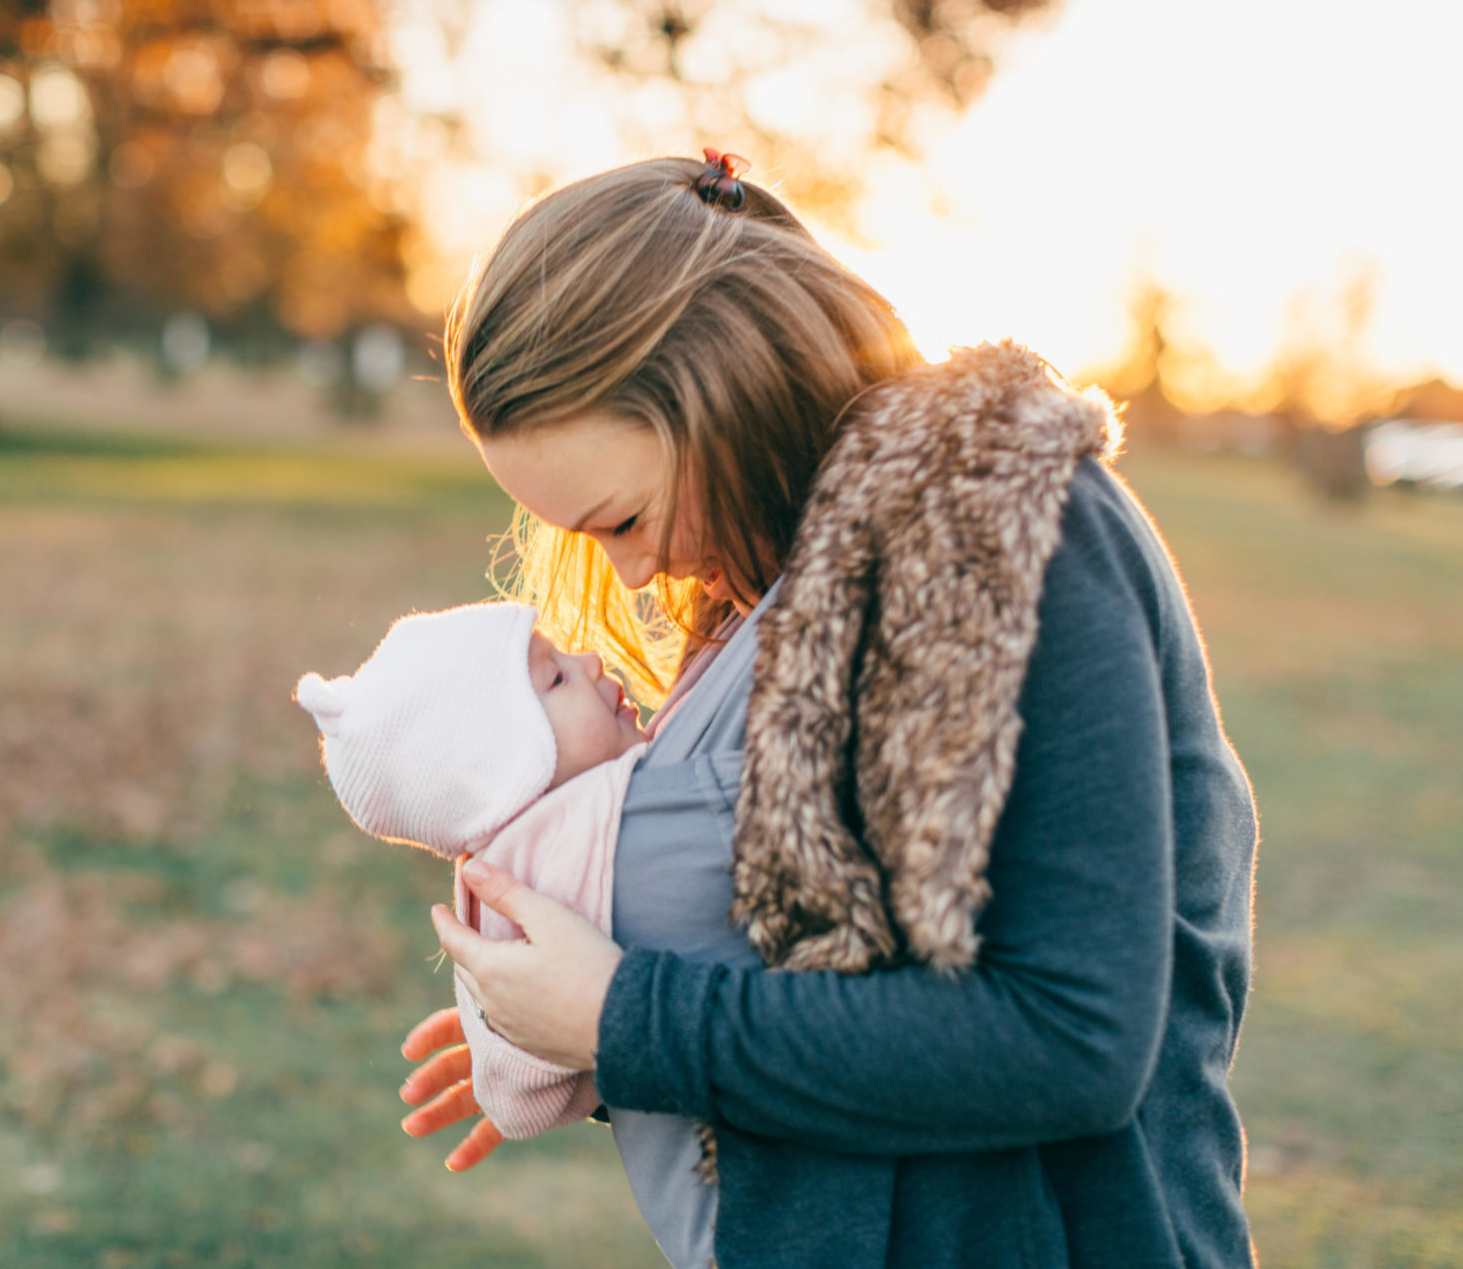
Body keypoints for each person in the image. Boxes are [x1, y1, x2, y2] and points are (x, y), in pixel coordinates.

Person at [397, 152, 1260, 1269]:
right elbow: (822, 982)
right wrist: (584, 1039)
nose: (635, 577)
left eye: (623, 518)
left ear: (720, 389)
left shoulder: (1004, 528)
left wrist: (631, 1017)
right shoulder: (781, 589)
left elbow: (1071, 1042)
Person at [296, 601, 648, 1138]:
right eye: (557, 677)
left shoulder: (598, 808)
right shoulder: (537, 869)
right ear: (510, 775)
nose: (593, 661)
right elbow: (521, 1094)